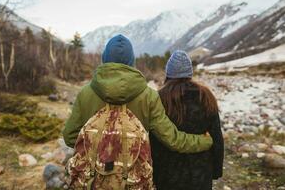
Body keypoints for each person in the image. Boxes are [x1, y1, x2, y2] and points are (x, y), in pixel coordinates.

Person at [63, 34, 213, 154]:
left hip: (94, 179)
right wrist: (205, 141)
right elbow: (173, 140)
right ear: (131, 61)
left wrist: (101, 149)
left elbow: (70, 136)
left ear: (105, 59)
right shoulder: (149, 96)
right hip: (134, 178)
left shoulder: (85, 94)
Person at [150, 50, 224, 190]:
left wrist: (154, 174)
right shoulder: (206, 96)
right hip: (200, 174)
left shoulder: (159, 98)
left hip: (167, 175)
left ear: (168, 74)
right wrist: (215, 171)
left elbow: (153, 140)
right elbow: (217, 138)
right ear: (190, 73)